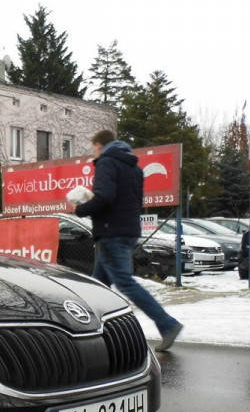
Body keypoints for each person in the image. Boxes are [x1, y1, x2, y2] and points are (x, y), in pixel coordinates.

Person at [75, 130, 183, 352]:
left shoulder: (107, 162)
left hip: (111, 232)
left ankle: (167, 324)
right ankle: (93, 333)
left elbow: (105, 197)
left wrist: (81, 208)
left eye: (94, 147)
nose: (94, 152)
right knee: (97, 286)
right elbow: (132, 199)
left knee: (124, 282)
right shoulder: (134, 167)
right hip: (127, 229)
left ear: (99, 145)